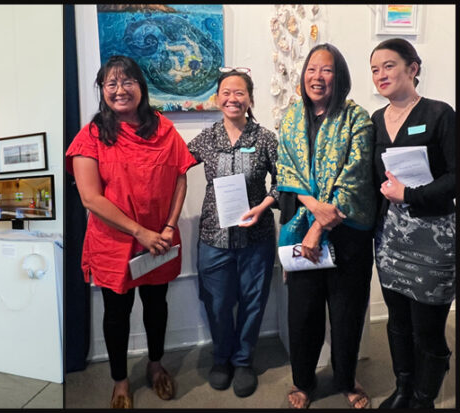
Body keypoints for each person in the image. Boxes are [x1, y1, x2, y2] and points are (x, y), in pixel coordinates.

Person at [65, 55, 195, 409]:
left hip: (159, 241)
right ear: (102, 90)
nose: (120, 90)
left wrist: (167, 227)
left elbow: (181, 175)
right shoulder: (91, 135)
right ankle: (120, 381)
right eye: (111, 84)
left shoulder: (165, 129)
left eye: (127, 82)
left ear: (141, 86)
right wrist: (140, 232)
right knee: (116, 314)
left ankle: (155, 365)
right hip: (114, 245)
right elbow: (90, 198)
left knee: (156, 307)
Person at [276, 43, 377, 409]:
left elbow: (354, 177)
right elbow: (286, 170)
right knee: (302, 314)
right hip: (303, 228)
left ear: (340, 76)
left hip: (346, 233)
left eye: (327, 70)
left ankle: (347, 379)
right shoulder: (291, 117)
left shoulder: (357, 118)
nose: (317, 77)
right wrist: (314, 210)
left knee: (347, 312)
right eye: (311, 70)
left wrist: (318, 229)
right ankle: (303, 382)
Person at [368, 38, 455, 409]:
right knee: (397, 321)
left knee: (428, 328)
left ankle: (424, 399)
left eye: (389, 65)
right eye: (374, 69)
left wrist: (412, 195)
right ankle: (403, 389)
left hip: (432, 238)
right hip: (390, 238)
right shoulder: (374, 120)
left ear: (412, 69)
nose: (381, 75)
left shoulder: (439, 114)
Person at [186, 67, 278, 398]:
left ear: (250, 99)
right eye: (226, 92)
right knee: (218, 302)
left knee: (253, 302)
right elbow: (174, 164)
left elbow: (284, 182)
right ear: (217, 99)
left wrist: (265, 204)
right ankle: (221, 358)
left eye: (239, 92)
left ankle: (243, 361)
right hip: (214, 237)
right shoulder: (207, 137)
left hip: (256, 236)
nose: (232, 98)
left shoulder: (265, 138)